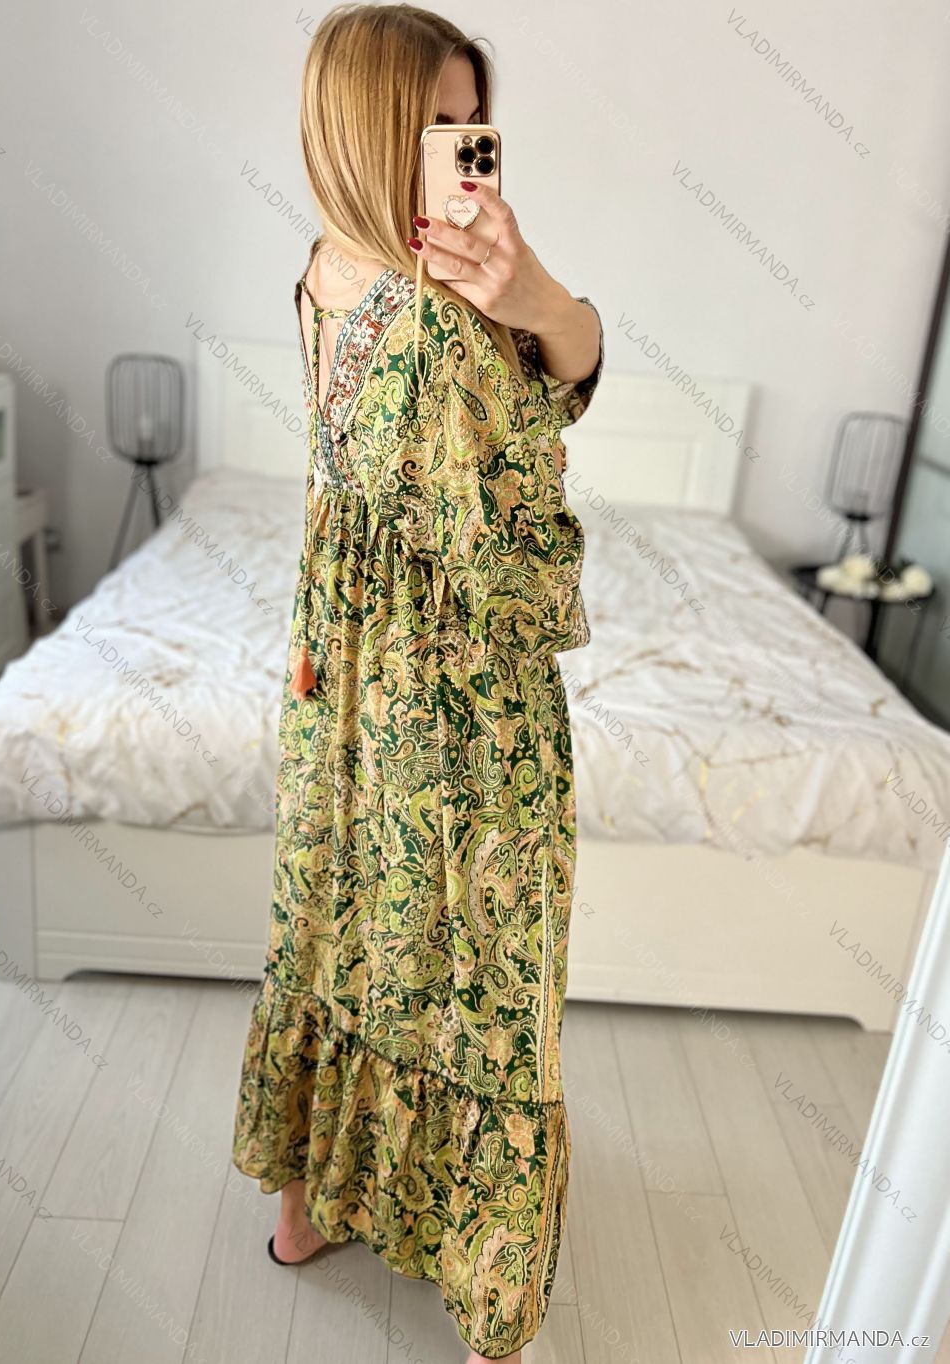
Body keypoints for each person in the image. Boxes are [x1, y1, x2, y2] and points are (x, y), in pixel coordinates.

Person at [232, 5, 603, 1359]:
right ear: (365, 132)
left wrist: (536, 304)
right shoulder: (439, 327)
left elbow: (544, 378)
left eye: (471, 125)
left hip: (339, 681)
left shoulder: (324, 270)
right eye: (434, 128)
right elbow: (522, 570)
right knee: (484, 988)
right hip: (458, 707)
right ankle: (486, 1297)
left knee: (336, 931)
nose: (464, 157)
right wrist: (520, 333)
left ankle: (306, 1213)